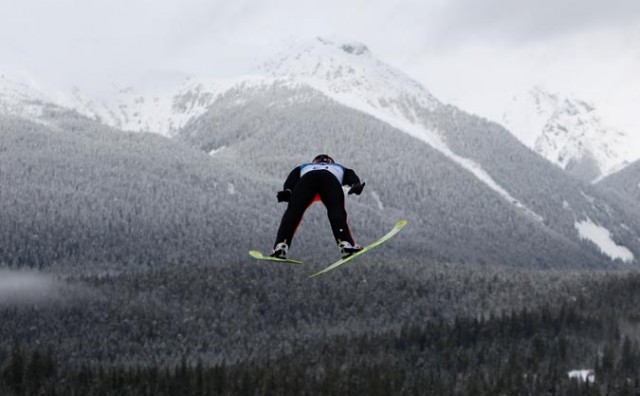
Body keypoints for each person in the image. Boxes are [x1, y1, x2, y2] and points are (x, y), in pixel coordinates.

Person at [271, 154, 366, 259]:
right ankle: (345, 243)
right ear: (331, 162)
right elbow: (351, 175)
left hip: (307, 179)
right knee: (336, 210)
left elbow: (292, 177)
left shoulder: (304, 166)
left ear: (314, 162)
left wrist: (287, 190)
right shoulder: (339, 167)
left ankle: (281, 245)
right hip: (329, 178)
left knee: (293, 212)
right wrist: (356, 184)